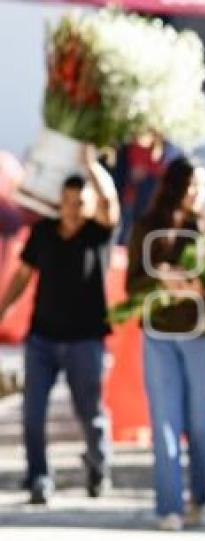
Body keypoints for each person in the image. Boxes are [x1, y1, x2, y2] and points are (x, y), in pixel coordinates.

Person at [0, 147, 119, 504]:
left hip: (86, 339)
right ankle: (38, 477)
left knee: (90, 413)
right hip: (42, 339)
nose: (72, 208)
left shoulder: (98, 234)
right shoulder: (44, 233)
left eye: (79, 202)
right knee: (32, 413)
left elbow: (110, 202)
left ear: (88, 204)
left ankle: (98, 464)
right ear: (59, 202)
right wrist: (3, 308)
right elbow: (23, 275)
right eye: (66, 201)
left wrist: (90, 165)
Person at [126, 157, 205, 530]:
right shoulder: (147, 226)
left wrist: (201, 290)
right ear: (175, 185)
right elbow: (132, 284)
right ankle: (169, 506)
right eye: (192, 184)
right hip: (160, 333)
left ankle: (199, 496)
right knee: (164, 422)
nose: (198, 192)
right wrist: (162, 280)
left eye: (203, 185)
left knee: (201, 423)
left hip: (202, 333)